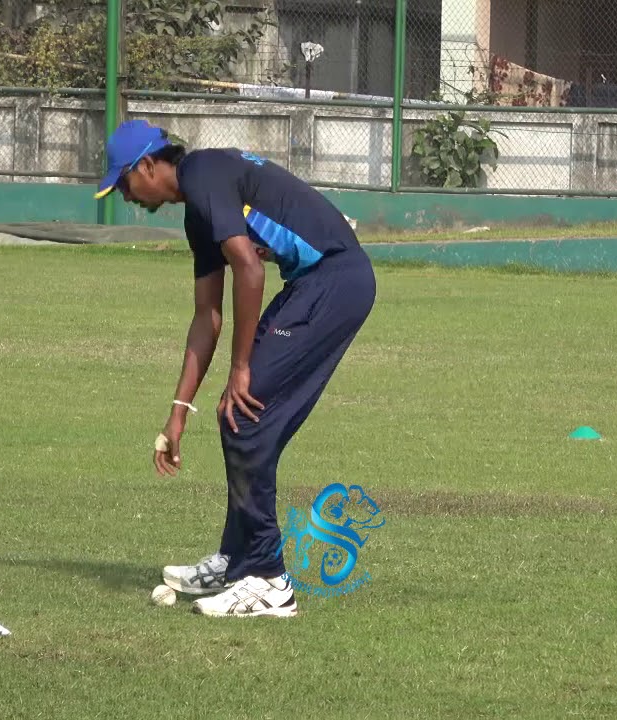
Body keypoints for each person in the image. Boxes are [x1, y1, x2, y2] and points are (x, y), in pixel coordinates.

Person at [94, 119, 377, 618]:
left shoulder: (204, 174)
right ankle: (237, 560)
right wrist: (179, 411)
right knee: (240, 419)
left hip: (334, 281)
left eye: (123, 183)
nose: (125, 195)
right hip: (315, 286)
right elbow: (208, 317)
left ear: (146, 166)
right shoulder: (197, 211)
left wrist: (241, 368)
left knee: (247, 416)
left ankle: (268, 580)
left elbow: (250, 268)